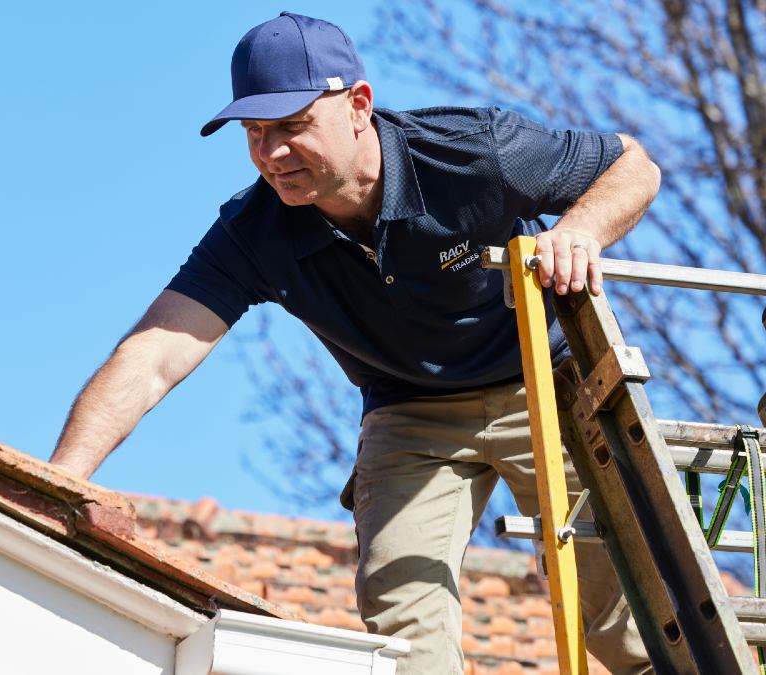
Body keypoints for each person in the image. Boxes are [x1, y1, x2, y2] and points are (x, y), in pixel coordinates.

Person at [49, 11, 658, 674]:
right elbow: (152, 356)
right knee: (403, 622)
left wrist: (581, 232)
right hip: (410, 416)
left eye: (291, 127)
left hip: (541, 383)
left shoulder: (472, 153)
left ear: (358, 106)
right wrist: (58, 482)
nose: (271, 154)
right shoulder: (253, 234)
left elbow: (633, 165)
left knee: (627, 609)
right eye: (254, 134)